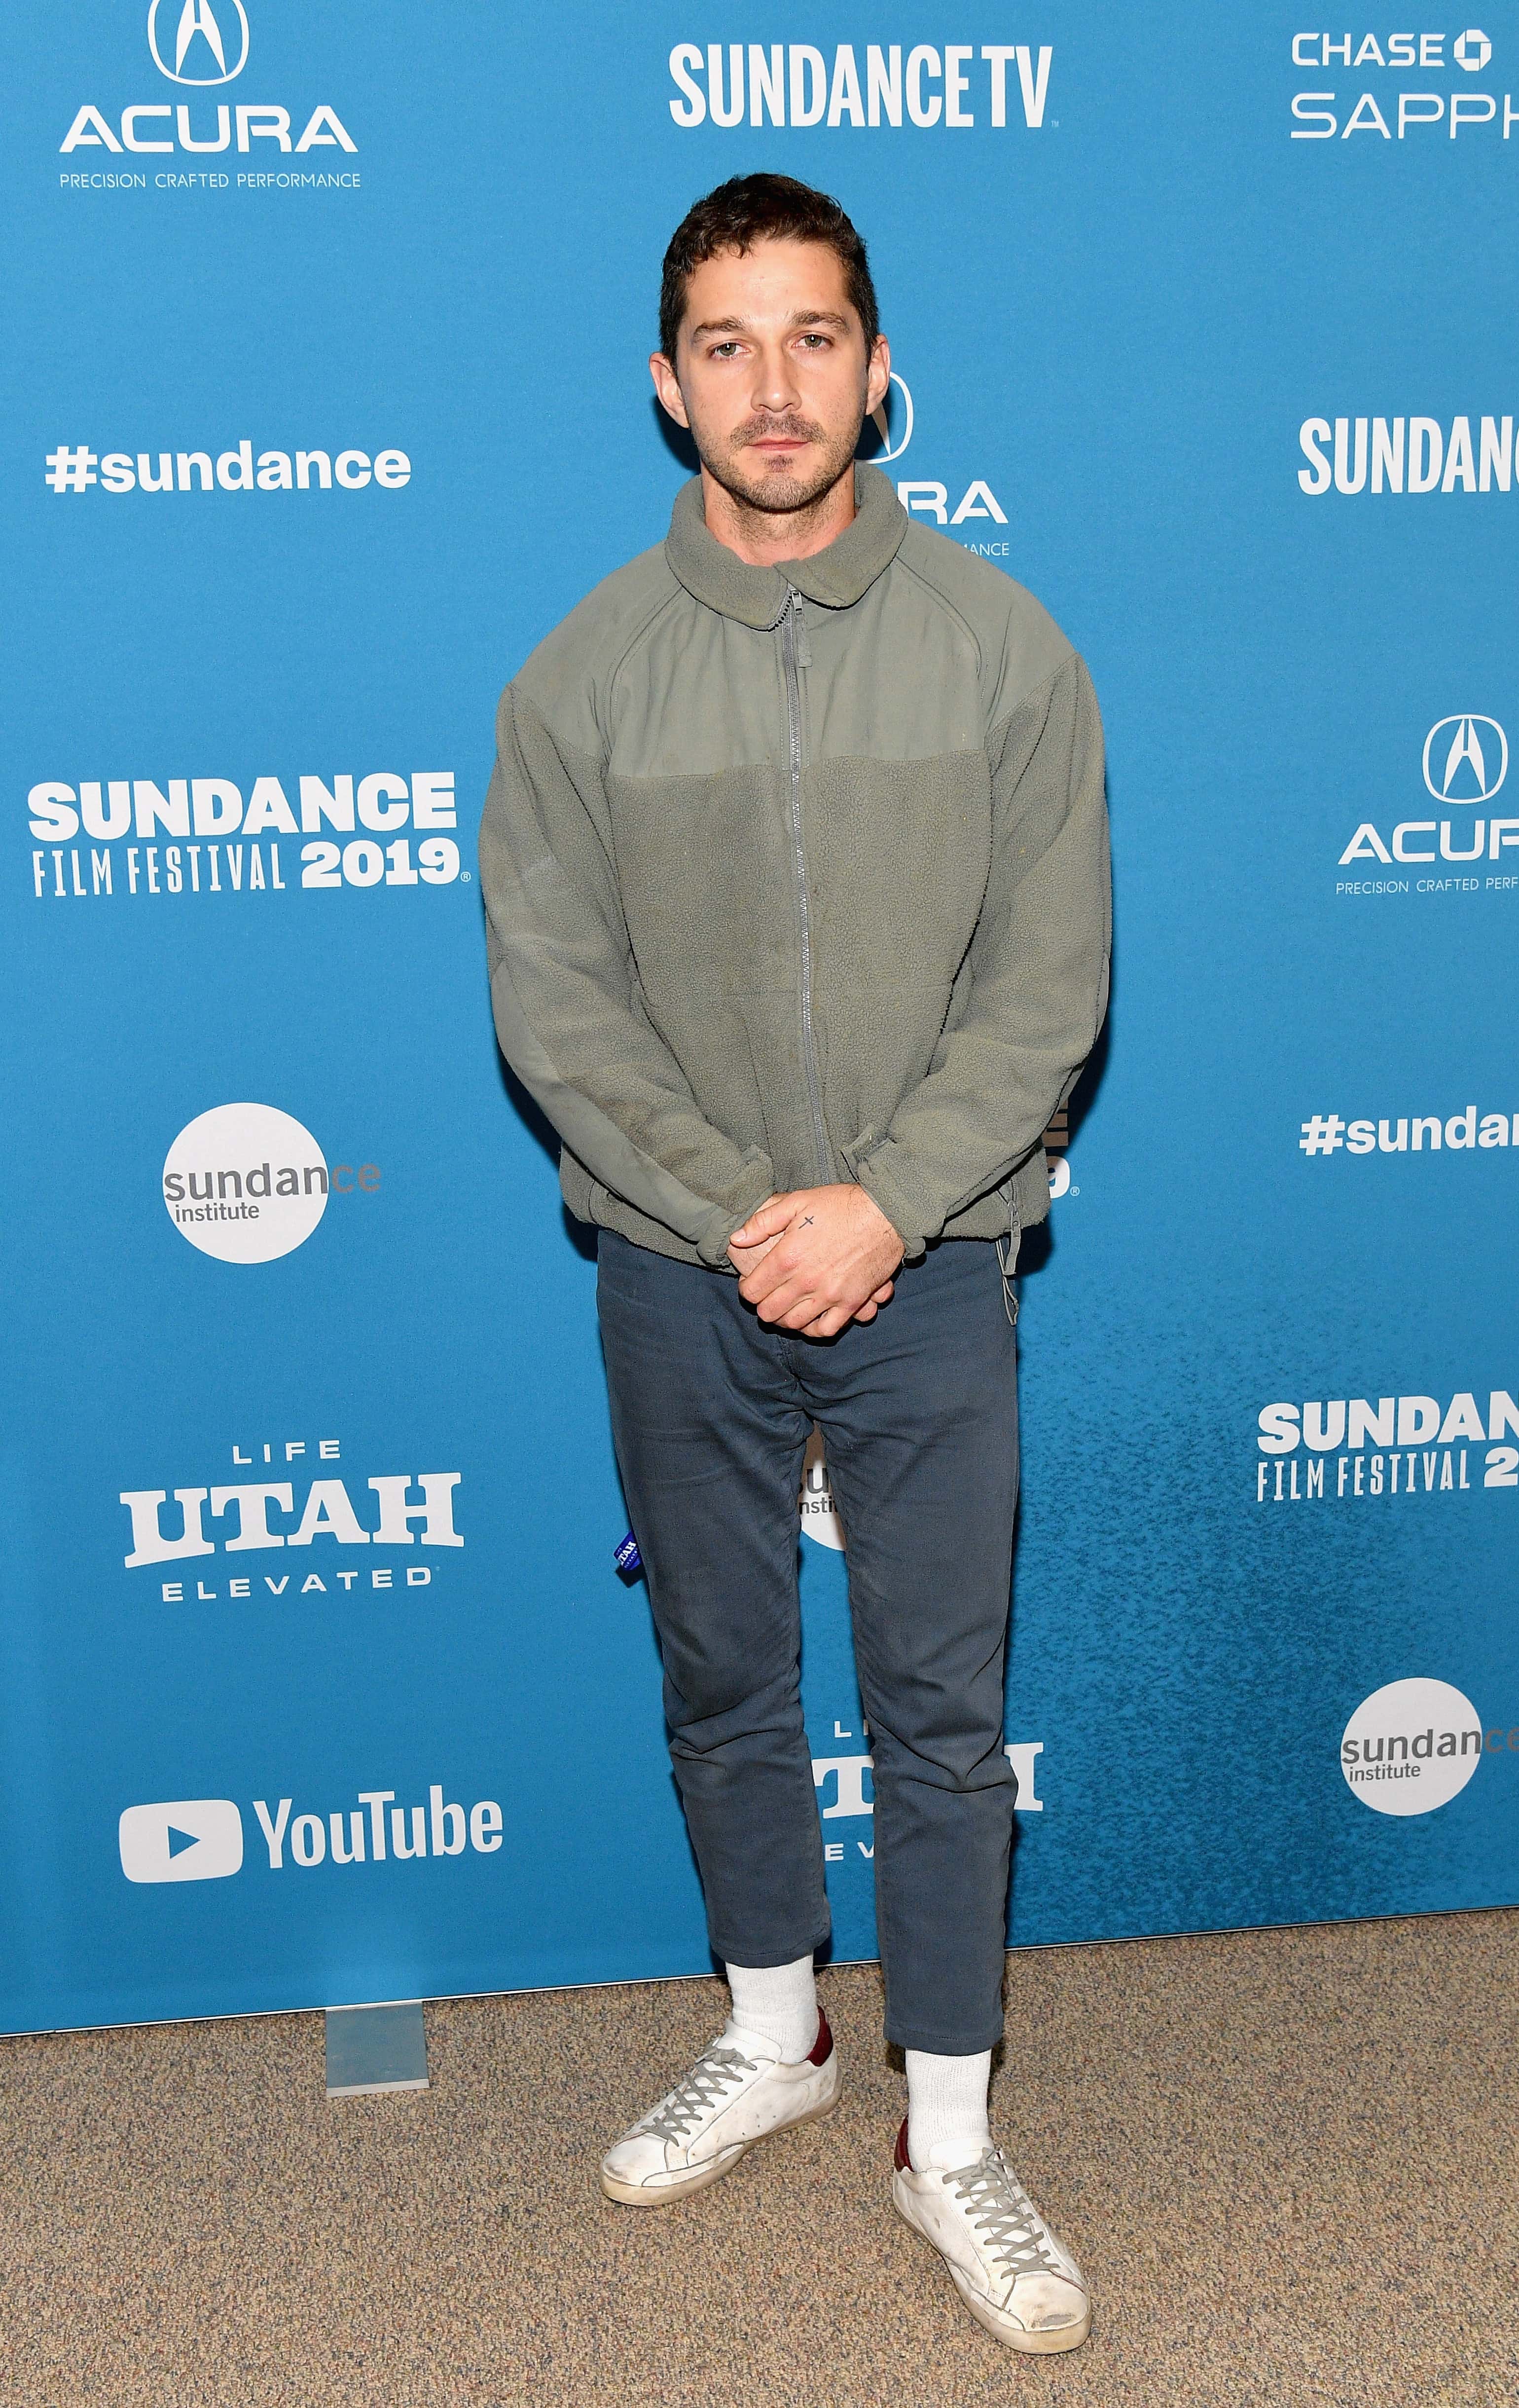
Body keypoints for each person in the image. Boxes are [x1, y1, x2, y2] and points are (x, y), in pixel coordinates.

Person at [479, 173, 1110, 2354]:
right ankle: (778, 2034)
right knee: (724, 1675)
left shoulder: (1005, 649)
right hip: (680, 1267)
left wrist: (886, 1203)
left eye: (814, 337)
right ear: (669, 384)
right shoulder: (579, 679)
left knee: (941, 1712)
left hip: (933, 1261)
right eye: (729, 345)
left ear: (876, 367)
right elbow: (557, 1004)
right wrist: (747, 1210)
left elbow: (1047, 986)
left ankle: (953, 2132)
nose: (775, 385)